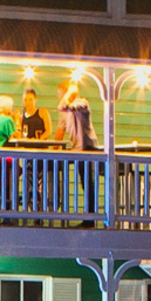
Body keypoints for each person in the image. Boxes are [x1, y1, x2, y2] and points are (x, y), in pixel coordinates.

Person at [58, 77, 101, 223]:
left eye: (61, 93)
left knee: (87, 183)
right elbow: (61, 127)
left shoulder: (82, 103)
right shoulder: (68, 110)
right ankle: (81, 216)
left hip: (87, 148)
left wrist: (70, 91)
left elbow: (62, 106)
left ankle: (90, 218)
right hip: (76, 149)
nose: (60, 96)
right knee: (83, 182)